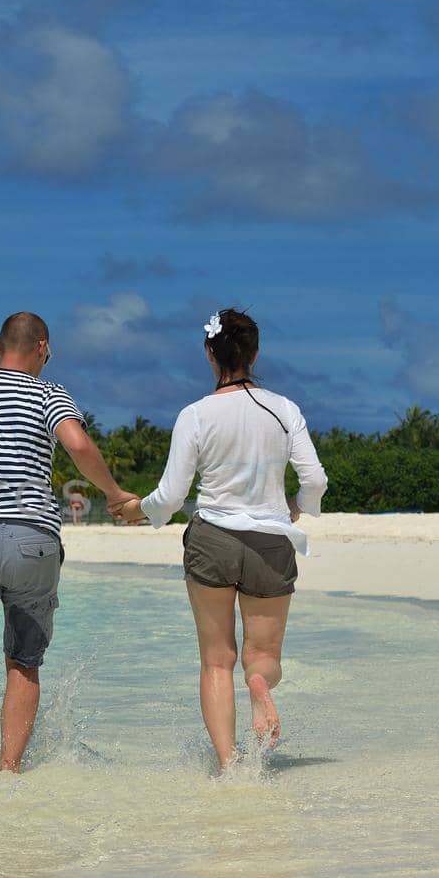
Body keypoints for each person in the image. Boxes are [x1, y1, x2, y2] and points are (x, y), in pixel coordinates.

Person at [0, 311, 139, 772]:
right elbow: (76, 443)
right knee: (24, 661)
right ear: (43, 349)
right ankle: (8, 769)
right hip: (32, 539)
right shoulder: (49, 393)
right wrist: (114, 495)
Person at [115, 309, 328, 770]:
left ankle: (230, 765)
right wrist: (293, 511)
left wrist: (138, 512)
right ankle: (258, 687)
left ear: (210, 355)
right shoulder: (285, 409)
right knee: (263, 656)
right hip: (270, 543)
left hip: (212, 538)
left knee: (216, 661)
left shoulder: (195, 415)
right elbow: (315, 479)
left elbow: (171, 496)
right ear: (254, 354)